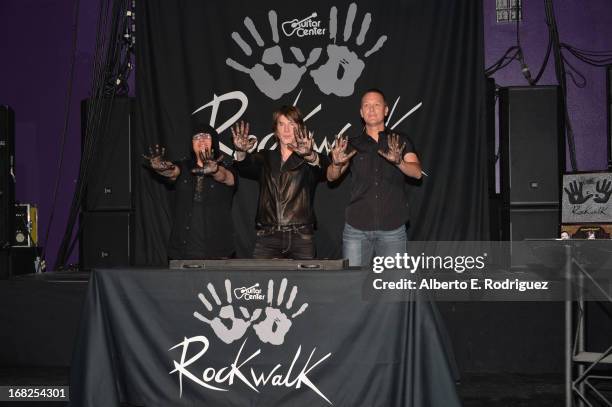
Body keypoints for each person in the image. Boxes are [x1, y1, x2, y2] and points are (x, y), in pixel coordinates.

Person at [327, 88, 422, 266]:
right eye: (366, 106)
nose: (371, 109)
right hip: (357, 229)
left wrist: (399, 162)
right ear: (361, 113)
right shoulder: (350, 144)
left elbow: (417, 173)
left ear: (386, 110)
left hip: (393, 228)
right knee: (351, 286)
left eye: (376, 105)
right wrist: (336, 164)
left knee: (394, 288)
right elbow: (331, 177)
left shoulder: (399, 141)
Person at [232, 106, 329, 259]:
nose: (286, 129)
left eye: (291, 124)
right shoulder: (265, 157)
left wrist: (310, 155)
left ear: (300, 128)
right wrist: (240, 151)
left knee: (305, 283)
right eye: (281, 124)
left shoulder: (309, 159)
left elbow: (326, 169)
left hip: (301, 237)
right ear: (275, 130)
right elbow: (244, 167)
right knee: (262, 282)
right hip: (268, 237)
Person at [144, 123, 237, 259]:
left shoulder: (226, 169)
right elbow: (172, 171)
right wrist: (161, 168)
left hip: (219, 253)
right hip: (183, 253)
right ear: (192, 144)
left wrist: (214, 170)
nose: (201, 140)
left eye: (206, 136)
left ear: (214, 143)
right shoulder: (183, 167)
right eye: (197, 137)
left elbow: (226, 178)